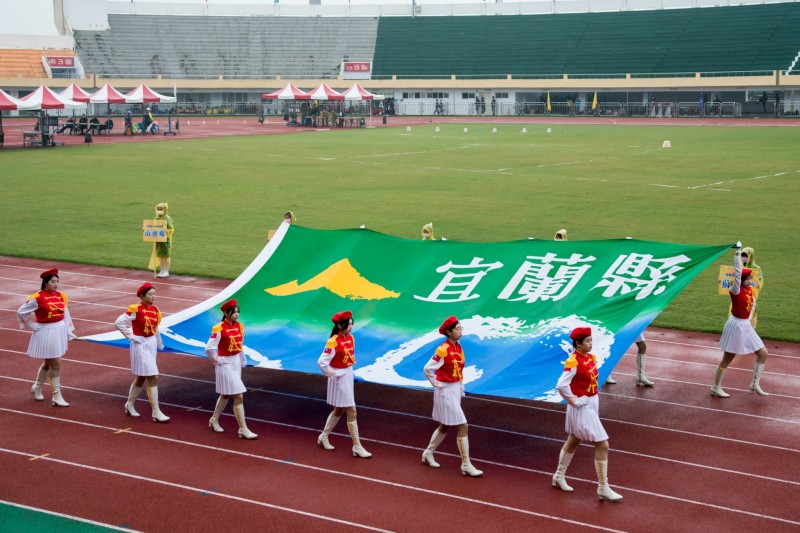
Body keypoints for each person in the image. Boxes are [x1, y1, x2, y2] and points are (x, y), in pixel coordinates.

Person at [552, 327, 623, 502]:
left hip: (591, 402)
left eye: (591, 340)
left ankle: (558, 476)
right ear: (578, 343)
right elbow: (561, 385)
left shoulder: (590, 357)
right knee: (603, 444)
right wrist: (574, 401)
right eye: (588, 341)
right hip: (581, 405)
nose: (591, 344)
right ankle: (603, 487)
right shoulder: (573, 361)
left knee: (574, 439)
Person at [421, 316, 483, 477]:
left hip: (455, 388)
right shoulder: (443, 349)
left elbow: (460, 370)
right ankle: (466, 464)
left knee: (445, 425)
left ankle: (428, 453)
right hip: (446, 390)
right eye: (457, 328)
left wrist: (461, 388)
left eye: (461, 328)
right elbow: (428, 369)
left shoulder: (458, 347)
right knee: (463, 425)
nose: (460, 331)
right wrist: (436, 383)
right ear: (449, 332)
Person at [711, 242, 770, 397]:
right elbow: (737, 273)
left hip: (746, 326)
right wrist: (737, 252)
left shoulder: (749, 289)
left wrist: (750, 321)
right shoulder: (735, 290)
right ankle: (715, 386)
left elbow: (752, 305)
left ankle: (754, 384)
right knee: (727, 359)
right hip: (736, 326)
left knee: (763, 353)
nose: (750, 281)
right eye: (747, 279)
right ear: (741, 279)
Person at [16, 268, 76, 407]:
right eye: (53, 282)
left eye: (57, 282)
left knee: (48, 363)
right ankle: (56, 395)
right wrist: (31, 324)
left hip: (59, 331)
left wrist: (68, 332)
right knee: (56, 363)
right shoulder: (37, 297)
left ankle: (37, 387)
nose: (56, 284)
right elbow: (21, 311)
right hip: (46, 332)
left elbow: (65, 314)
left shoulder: (61, 295)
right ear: (45, 283)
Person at [317, 310, 372, 458]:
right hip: (339, 376)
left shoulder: (351, 338)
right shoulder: (333, 341)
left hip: (348, 373)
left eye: (352, 325)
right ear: (340, 326)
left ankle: (324, 436)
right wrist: (333, 373)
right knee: (352, 410)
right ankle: (357, 446)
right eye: (349, 325)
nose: (351, 327)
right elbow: (322, 362)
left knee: (339, 409)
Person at [114, 283, 170, 422]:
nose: (153, 296)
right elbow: (119, 322)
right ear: (142, 296)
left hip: (150, 344)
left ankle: (129, 404)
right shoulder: (136, 309)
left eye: (154, 294)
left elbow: (155, 328)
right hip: (140, 345)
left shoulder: (155, 310)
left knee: (142, 377)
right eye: (150, 294)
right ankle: (156, 412)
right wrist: (131, 335)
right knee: (153, 376)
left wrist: (160, 344)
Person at [205, 300, 257, 439]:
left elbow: (239, 344)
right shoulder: (219, 328)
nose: (236, 314)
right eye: (233, 312)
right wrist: (217, 360)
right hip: (225, 363)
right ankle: (243, 429)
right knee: (239, 395)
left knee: (226, 394)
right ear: (226, 313)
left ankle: (214, 420)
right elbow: (209, 348)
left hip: (235, 362)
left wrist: (243, 359)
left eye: (237, 311)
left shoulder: (240, 326)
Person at [148, 202, 174, 278]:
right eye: (158, 209)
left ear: (164, 209)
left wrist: (167, 232)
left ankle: (166, 271)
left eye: (161, 209)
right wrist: (145, 229)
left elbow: (171, 228)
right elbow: (151, 227)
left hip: (165, 241)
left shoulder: (167, 218)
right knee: (160, 255)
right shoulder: (156, 218)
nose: (159, 210)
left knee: (165, 255)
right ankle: (162, 270)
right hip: (158, 241)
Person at [740, 246, 763, 327]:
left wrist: (759, 285)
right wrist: (721, 280)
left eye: (746, 256)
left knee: (749, 315)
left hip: (750, 296)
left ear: (751, 256)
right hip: (740, 296)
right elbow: (730, 279)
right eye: (742, 256)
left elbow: (760, 280)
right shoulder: (739, 266)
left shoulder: (756, 268)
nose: (744, 258)